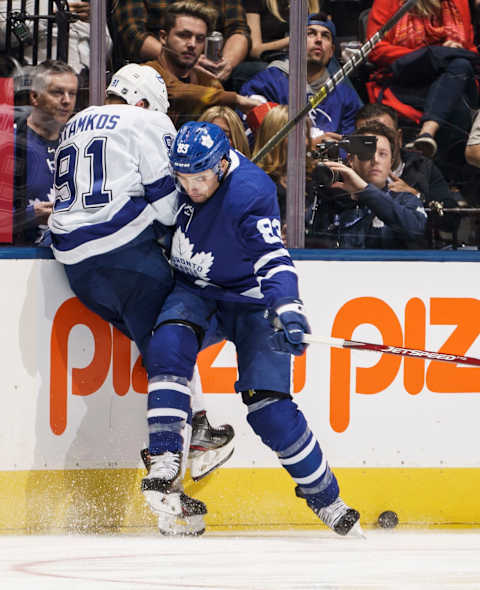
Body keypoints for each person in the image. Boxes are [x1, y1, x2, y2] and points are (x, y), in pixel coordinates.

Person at [139, 120, 363, 537]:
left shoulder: (250, 192)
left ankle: (327, 499)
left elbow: (273, 259)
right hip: (196, 291)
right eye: (183, 179)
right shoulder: (181, 175)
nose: (192, 189)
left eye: (201, 179)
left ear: (223, 165)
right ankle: (166, 457)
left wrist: (288, 308)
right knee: (167, 344)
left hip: (251, 301)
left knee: (271, 411)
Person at [49, 64, 234, 535]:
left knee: (161, 346)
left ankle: (198, 431)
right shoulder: (148, 121)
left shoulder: (75, 123)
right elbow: (167, 204)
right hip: (126, 255)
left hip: (78, 267)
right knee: (177, 333)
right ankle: (171, 475)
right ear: (146, 102)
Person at [366, 0, 479, 161]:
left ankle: (427, 133)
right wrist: (426, 55)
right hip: (407, 79)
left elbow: (470, 51)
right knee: (456, 93)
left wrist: (455, 49)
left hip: (452, 76)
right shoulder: (387, 2)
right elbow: (375, 49)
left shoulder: (459, 3)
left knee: (460, 65)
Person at [239, 12, 363, 144]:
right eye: (311, 33)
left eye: (325, 36)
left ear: (331, 51)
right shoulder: (266, 83)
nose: (319, 39)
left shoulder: (345, 96)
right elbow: (255, 138)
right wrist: (310, 145)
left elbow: (349, 147)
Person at [141, 1, 260, 127]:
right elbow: (171, 91)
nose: (192, 44)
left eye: (200, 38)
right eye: (184, 35)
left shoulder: (208, 82)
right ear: (164, 37)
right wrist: (236, 98)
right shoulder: (144, 73)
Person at [309, 122, 428, 248]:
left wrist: (365, 190)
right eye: (367, 152)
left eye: (382, 154)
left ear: (391, 162)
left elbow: (416, 230)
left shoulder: (405, 200)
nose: (375, 160)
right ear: (351, 160)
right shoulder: (332, 201)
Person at [13, 60, 78, 245]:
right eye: (57, 92)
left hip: (67, 258)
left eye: (72, 93)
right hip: (17, 261)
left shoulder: (79, 141)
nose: (66, 101)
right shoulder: (10, 141)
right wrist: (29, 216)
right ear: (35, 96)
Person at [111, 0, 250, 82]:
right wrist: (180, 57)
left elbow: (239, 29)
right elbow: (132, 33)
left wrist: (226, 64)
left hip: (212, 64)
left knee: (253, 72)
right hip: (156, 64)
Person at [354, 103, 457, 212]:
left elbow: (451, 221)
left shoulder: (422, 167)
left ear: (399, 138)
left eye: (385, 135)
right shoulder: (348, 173)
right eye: (367, 140)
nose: (377, 144)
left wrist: (417, 197)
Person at [252, 104, 314, 223]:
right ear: (273, 137)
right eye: (295, 135)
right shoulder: (255, 183)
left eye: (305, 134)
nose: (304, 142)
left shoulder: (313, 178)